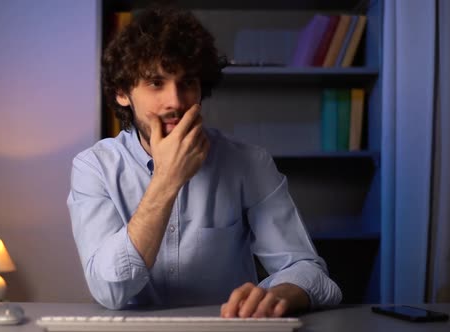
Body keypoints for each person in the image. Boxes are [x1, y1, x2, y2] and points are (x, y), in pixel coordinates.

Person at [67, 6, 342, 317]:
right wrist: (166, 179)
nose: (175, 101)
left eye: (186, 82)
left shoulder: (248, 163)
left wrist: (278, 295)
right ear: (121, 93)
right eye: (156, 83)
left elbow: (311, 273)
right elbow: (110, 290)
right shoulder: (94, 168)